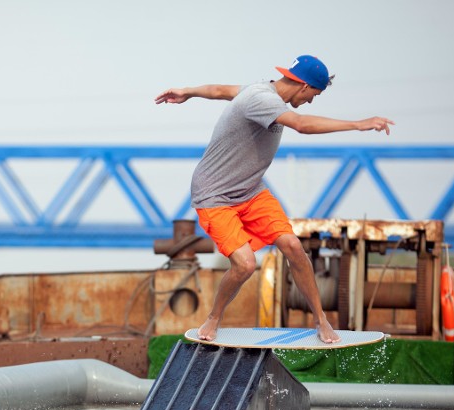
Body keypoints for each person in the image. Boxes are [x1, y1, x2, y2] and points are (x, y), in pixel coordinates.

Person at [156, 55, 394, 343]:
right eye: (314, 95)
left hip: (251, 190)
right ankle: (213, 318)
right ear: (304, 87)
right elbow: (302, 125)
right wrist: (359, 125)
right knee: (244, 264)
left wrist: (188, 92)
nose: (311, 102)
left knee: (293, 246)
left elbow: (219, 91)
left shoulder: (258, 90)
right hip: (214, 195)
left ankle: (321, 321)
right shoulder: (262, 99)